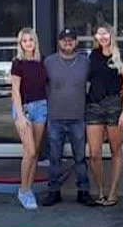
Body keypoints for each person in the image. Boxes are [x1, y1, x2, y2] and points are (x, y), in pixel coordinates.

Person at [41, 28, 96, 207]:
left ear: (76, 42)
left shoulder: (85, 62)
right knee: (55, 157)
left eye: (71, 39)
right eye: (64, 40)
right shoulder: (48, 62)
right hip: (55, 117)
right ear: (59, 42)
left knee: (80, 158)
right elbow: (41, 86)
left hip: (78, 117)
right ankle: (54, 191)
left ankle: (83, 192)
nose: (67, 42)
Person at [86, 23, 123, 206]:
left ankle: (113, 191)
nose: (103, 37)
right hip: (94, 106)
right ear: (96, 37)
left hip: (115, 105)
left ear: (111, 35)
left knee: (116, 150)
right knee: (95, 154)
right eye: (99, 34)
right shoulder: (93, 56)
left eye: (106, 33)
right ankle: (100, 190)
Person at [10, 27, 47, 210]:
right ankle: (23, 190)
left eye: (30, 40)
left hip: (41, 107)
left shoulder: (42, 61)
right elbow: (15, 91)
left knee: (36, 152)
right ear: (20, 43)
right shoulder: (18, 63)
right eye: (24, 41)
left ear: (35, 42)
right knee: (30, 151)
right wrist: (20, 114)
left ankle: (29, 189)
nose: (28, 44)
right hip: (23, 108)